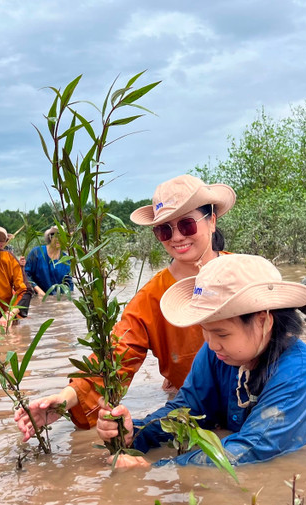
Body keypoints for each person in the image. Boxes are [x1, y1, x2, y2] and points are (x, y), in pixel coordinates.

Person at [15, 174, 236, 438]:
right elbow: (118, 353)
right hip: (193, 408)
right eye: (164, 230)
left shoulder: (244, 273)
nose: (176, 237)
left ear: (212, 221)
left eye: (187, 225)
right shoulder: (152, 296)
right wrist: (66, 399)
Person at [96, 254, 306, 467]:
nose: (211, 344)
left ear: (264, 321)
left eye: (222, 333)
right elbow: (185, 411)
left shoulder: (298, 372)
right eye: (205, 330)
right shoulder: (217, 352)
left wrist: (157, 468)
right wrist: (136, 432)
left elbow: (251, 450)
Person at [25, 226, 73, 296]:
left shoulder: (66, 259)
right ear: (50, 237)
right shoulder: (36, 252)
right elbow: (26, 274)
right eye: (56, 236)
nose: (58, 239)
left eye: (61, 236)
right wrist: (38, 290)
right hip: (38, 296)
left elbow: (69, 284)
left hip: (58, 299)